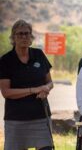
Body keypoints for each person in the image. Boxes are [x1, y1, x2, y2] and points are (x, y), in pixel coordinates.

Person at [0, 19, 54, 150]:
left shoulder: (39, 54)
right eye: (20, 34)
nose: (24, 37)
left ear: (31, 37)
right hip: (16, 120)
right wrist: (34, 90)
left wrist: (46, 88)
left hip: (41, 117)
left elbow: (50, 82)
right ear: (13, 37)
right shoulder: (6, 60)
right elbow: (6, 92)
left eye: (27, 33)